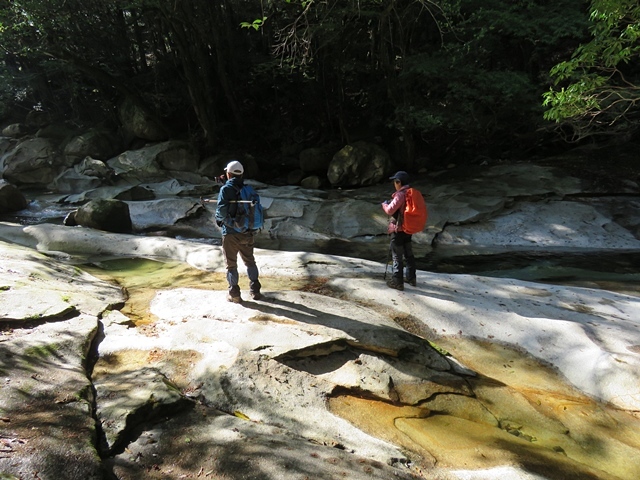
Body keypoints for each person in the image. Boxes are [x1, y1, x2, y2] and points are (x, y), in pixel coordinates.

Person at [215, 160, 262, 303]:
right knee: (250, 261)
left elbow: (221, 212)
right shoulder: (249, 189)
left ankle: (234, 294)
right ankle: (255, 290)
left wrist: (219, 219)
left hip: (230, 233)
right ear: (241, 174)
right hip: (248, 232)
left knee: (231, 264)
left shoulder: (226, 189)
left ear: (228, 174)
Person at [381, 171, 417, 291]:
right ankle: (411, 278)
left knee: (397, 256)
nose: (394, 184)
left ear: (399, 182)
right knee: (409, 253)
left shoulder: (400, 194)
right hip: (408, 228)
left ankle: (397, 282)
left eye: (395, 182)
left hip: (398, 229)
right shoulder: (411, 193)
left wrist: (385, 205)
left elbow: (390, 210)